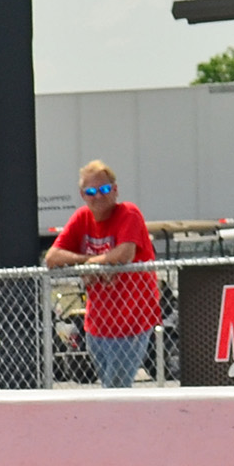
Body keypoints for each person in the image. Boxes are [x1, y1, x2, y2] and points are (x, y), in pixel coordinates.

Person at [45, 160, 160, 387]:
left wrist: (92, 265)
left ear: (115, 190)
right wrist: (89, 263)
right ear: (82, 195)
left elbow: (124, 253)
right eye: (91, 192)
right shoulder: (82, 218)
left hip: (132, 322)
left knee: (116, 389)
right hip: (97, 326)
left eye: (105, 189)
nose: (98, 196)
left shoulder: (129, 213)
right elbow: (52, 257)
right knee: (108, 389)